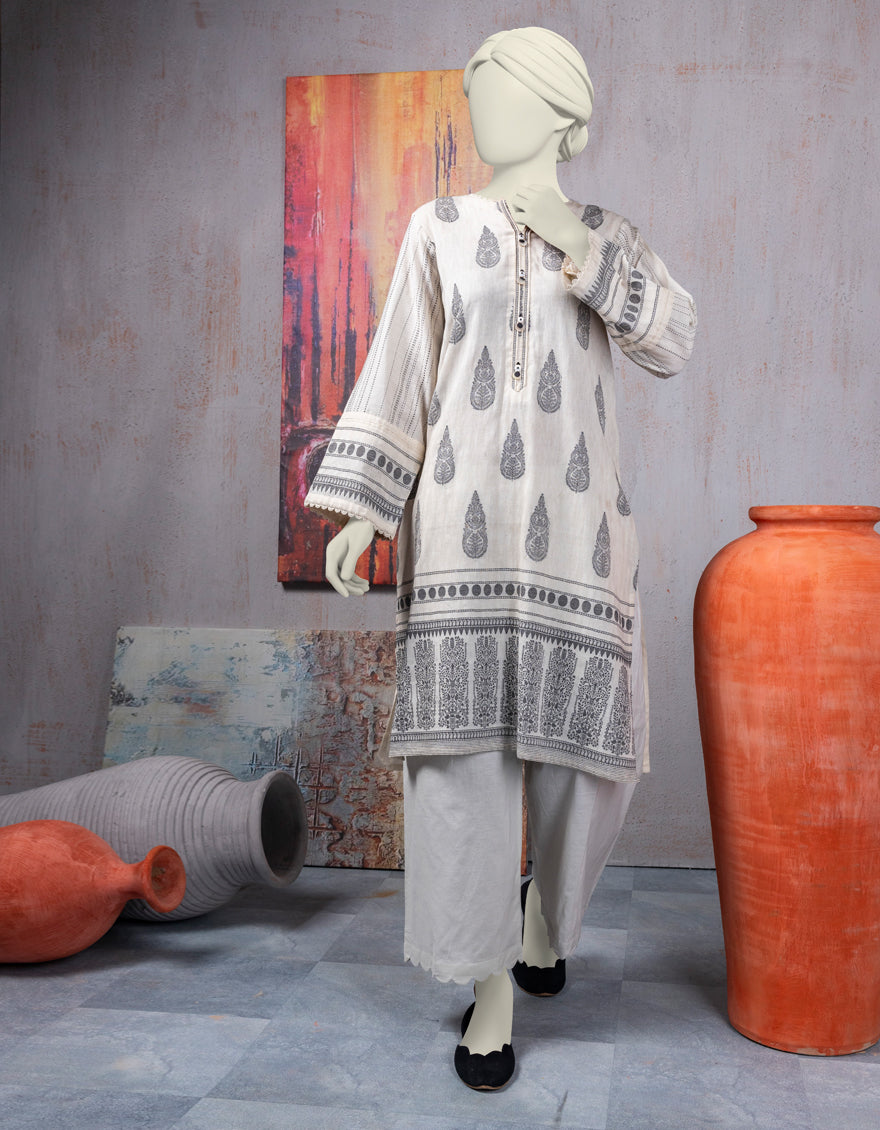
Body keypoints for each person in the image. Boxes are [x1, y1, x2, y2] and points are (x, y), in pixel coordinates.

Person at [304, 26, 696, 1090]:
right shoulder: (436, 228)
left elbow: (672, 339)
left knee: (590, 772)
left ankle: (542, 924)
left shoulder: (607, 235)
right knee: (461, 773)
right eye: (476, 92)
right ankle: (489, 987)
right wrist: (365, 510)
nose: (482, 111)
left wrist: (577, 241)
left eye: (504, 92)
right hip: (458, 542)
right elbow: (401, 363)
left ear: (563, 116)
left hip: (581, 544)